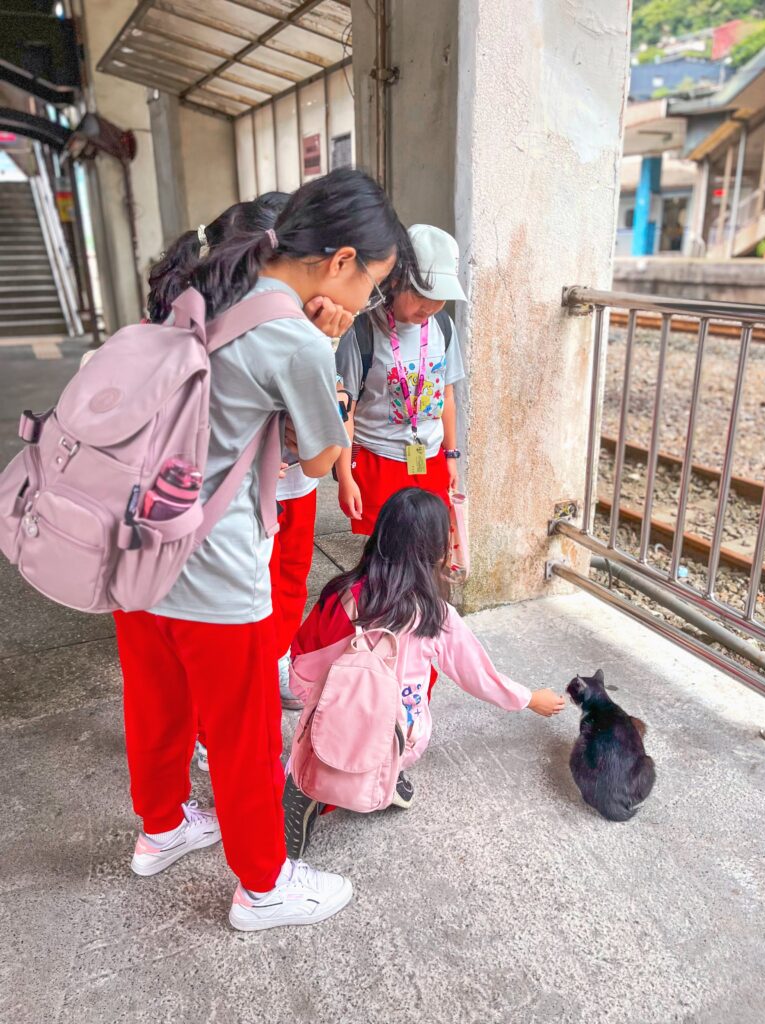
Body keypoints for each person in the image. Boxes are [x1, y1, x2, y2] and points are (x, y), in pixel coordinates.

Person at [113, 168, 400, 932]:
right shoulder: (294, 335)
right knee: (241, 732)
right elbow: (315, 457)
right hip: (210, 566)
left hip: (135, 544)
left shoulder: (203, 281)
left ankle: (161, 829)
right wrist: (326, 348)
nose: (363, 305)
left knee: (155, 702)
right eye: (370, 286)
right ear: (340, 261)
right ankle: (264, 887)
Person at [148, 192, 353, 723]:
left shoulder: (289, 320)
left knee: (290, 579)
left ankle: (273, 662)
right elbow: (317, 450)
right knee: (238, 610)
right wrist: (317, 346)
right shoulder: (219, 318)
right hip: (234, 503)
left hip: (287, 488)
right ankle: (222, 708)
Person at [282, 488, 565, 858]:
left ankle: (309, 786)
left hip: (330, 722)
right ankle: (388, 772)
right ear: (435, 549)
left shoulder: (342, 595)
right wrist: (529, 698)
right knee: (403, 724)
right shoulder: (435, 616)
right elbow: (478, 675)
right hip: (399, 734)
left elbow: (301, 663)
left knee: (329, 729)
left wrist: (323, 698)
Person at [335, 224, 466, 536]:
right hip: (377, 460)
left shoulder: (443, 328)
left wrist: (450, 456)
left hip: (429, 458)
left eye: (440, 298)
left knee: (427, 546)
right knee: (382, 550)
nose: (431, 307)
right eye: (422, 294)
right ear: (395, 280)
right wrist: (345, 475)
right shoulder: (363, 332)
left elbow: (446, 397)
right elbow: (345, 410)